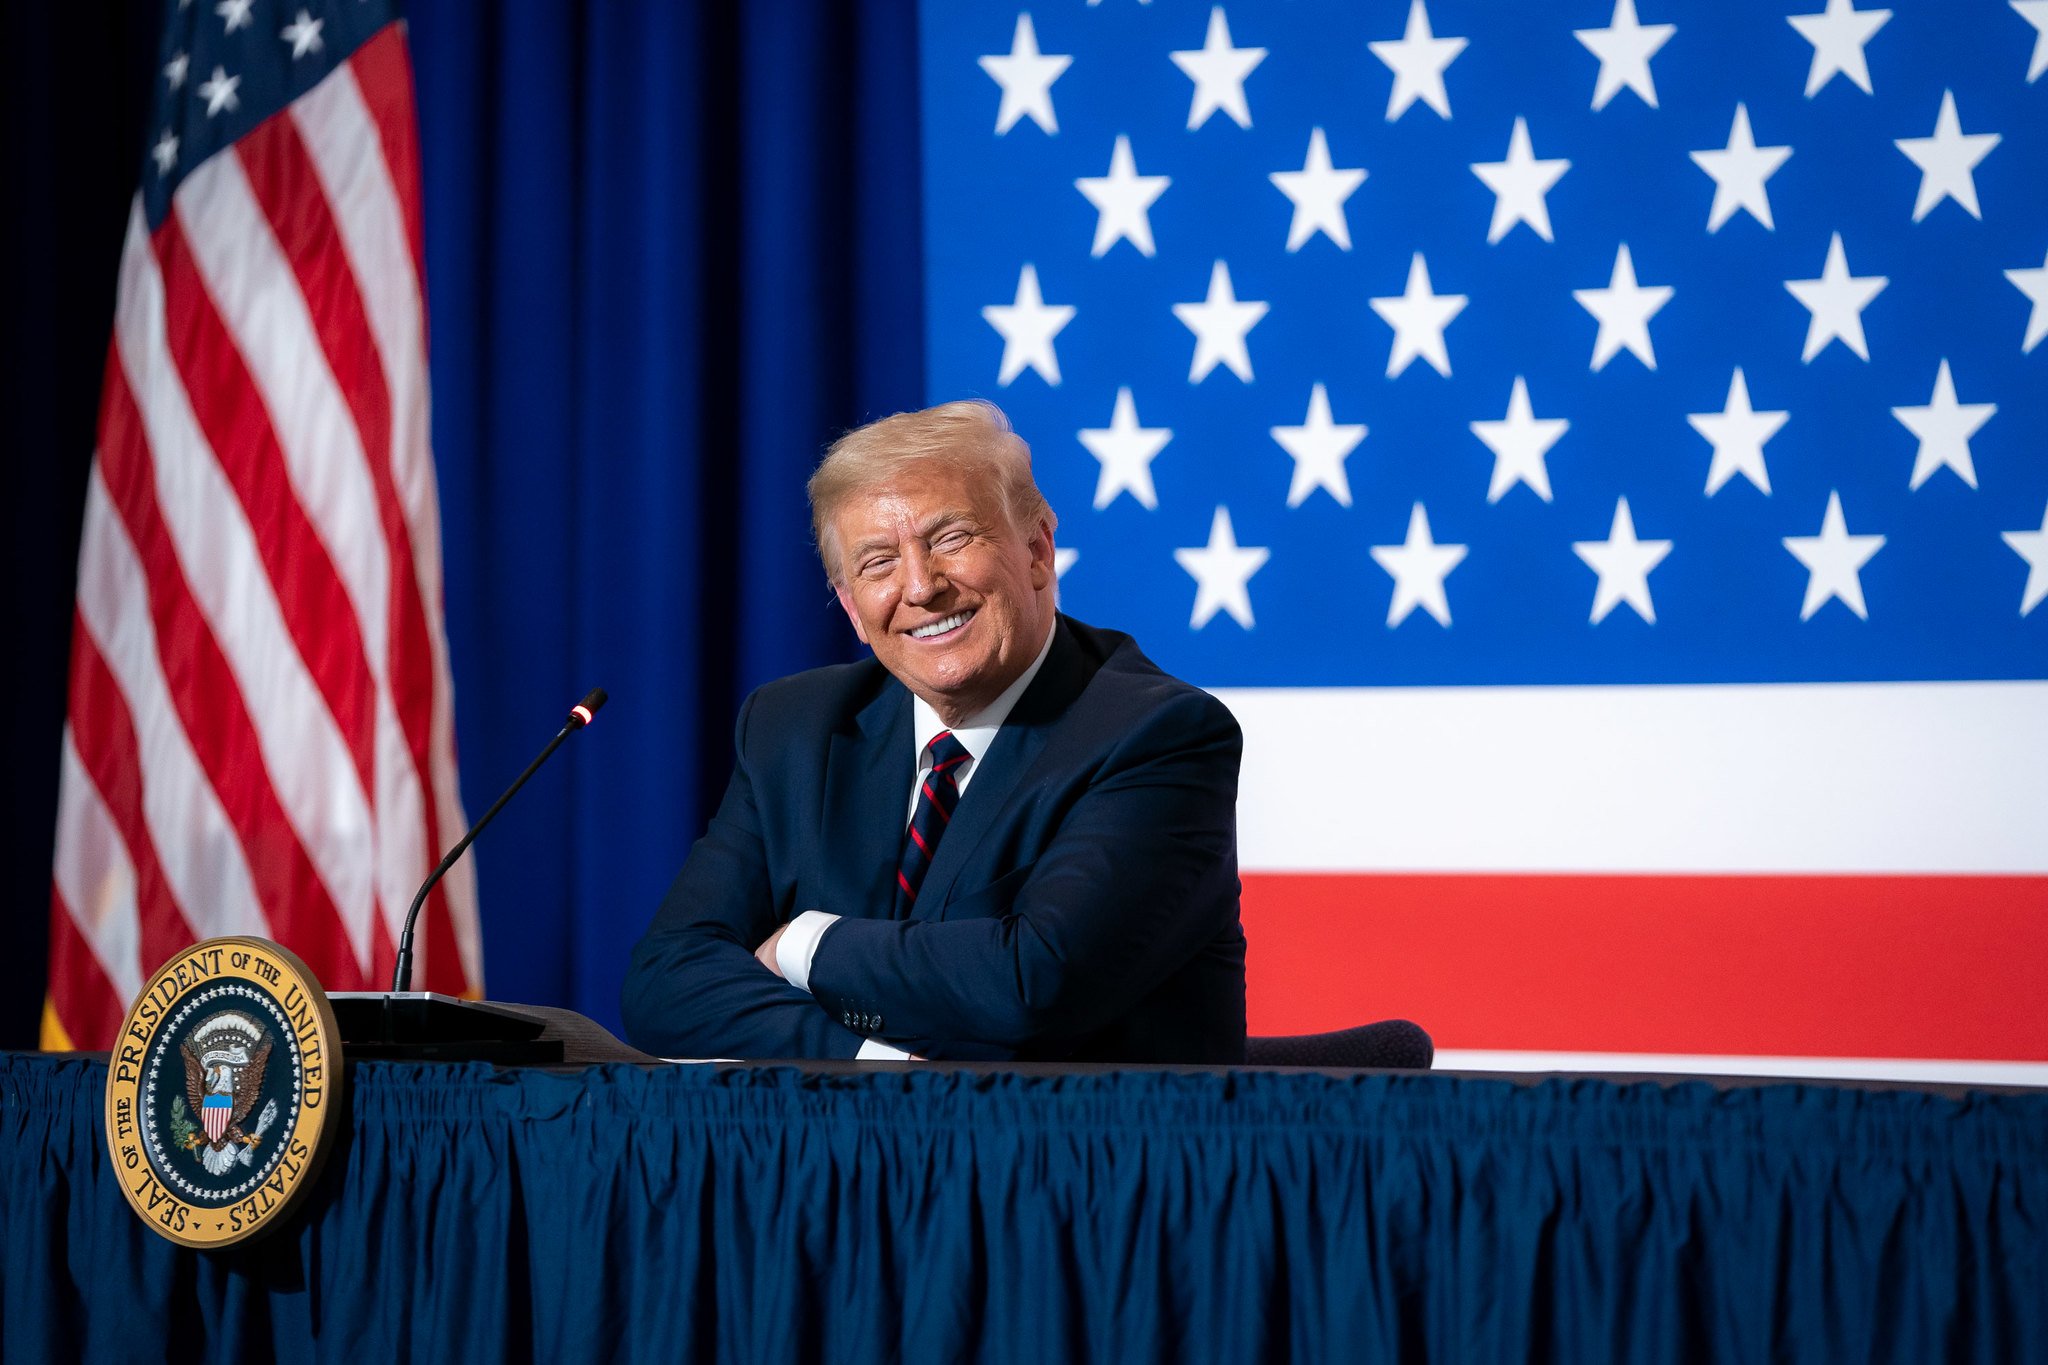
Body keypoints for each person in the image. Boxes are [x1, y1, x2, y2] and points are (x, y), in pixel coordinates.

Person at [621, 400, 1246, 1062]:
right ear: (852, 609)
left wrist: (804, 944)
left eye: (951, 538)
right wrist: (865, 1059)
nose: (920, 586)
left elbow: (1031, 983)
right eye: (878, 562)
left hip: (1081, 1155)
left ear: (1037, 550)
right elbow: (665, 981)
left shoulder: (1158, 732)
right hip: (854, 1157)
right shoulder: (795, 728)